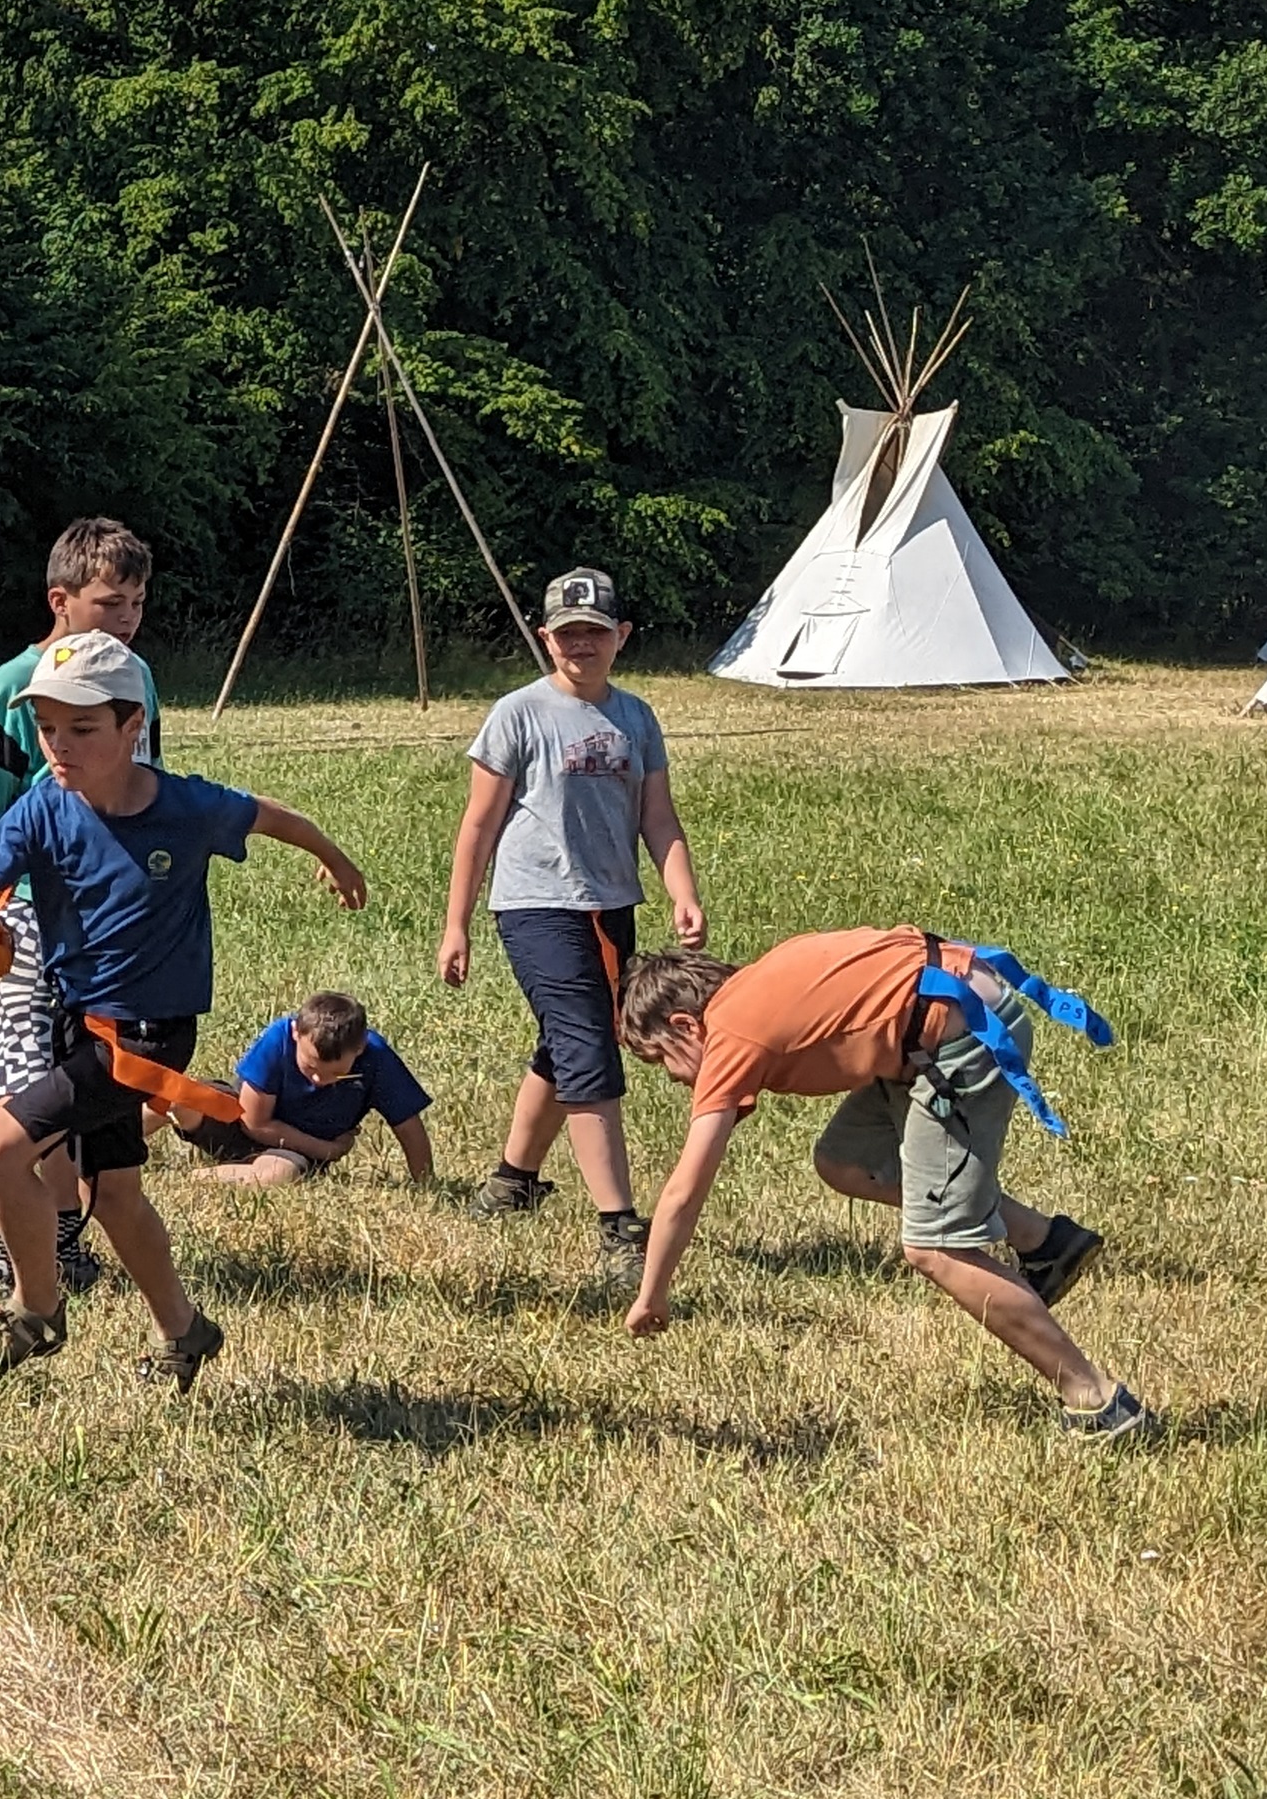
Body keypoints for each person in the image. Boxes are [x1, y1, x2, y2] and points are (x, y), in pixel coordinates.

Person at [0, 631, 367, 1390]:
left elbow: (274, 817)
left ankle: (35, 1312)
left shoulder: (187, 807)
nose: (59, 745)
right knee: (116, 1196)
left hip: (145, 1040)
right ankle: (184, 1330)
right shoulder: (42, 807)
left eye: (82, 728)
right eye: (47, 727)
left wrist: (334, 858)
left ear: (133, 725)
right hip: (78, 1024)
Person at [617, 929, 1143, 1436]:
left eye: (662, 1060)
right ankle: (1045, 1242)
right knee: (847, 1160)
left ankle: (1098, 1399)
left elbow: (685, 1192)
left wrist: (652, 1294)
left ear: (686, 1025)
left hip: (963, 1039)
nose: (675, 1078)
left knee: (936, 1247)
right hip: (932, 1025)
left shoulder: (732, 1034)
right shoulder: (753, 990)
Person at [436, 566, 704, 1274]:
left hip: (610, 905)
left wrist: (681, 891)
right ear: (545, 637)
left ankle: (512, 1182)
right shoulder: (519, 713)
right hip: (535, 905)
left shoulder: (636, 718)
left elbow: (658, 817)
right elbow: (478, 825)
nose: (580, 645)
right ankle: (619, 1227)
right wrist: (457, 923)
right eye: (566, 634)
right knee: (589, 1048)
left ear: (622, 636)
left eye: (594, 632)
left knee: (570, 1041)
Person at [0, 517, 162, 1300]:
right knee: (20, 1081)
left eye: (137, 603)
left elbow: (149, 800)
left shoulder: (138, 680)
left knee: (84, 1078)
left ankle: (64, 1239)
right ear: (61, 601)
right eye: (110, 604)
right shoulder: (13, 685)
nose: (127, 619)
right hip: (26, 916)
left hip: (108, 922)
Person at [189, 991, 437, 1185]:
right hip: (240, 1122)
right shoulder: (278, 1038)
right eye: (309, 1067)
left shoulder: (376, 1058)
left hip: (292, 1152)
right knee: (186, 1095)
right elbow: (254, 1122)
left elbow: (408, 1127)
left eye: (336, 1073)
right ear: (296, 1033)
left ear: (360, 1048)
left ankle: (202, 1177)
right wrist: (327, 1150)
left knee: (280, 1175)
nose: (319, 1079)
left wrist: (425, 1182)